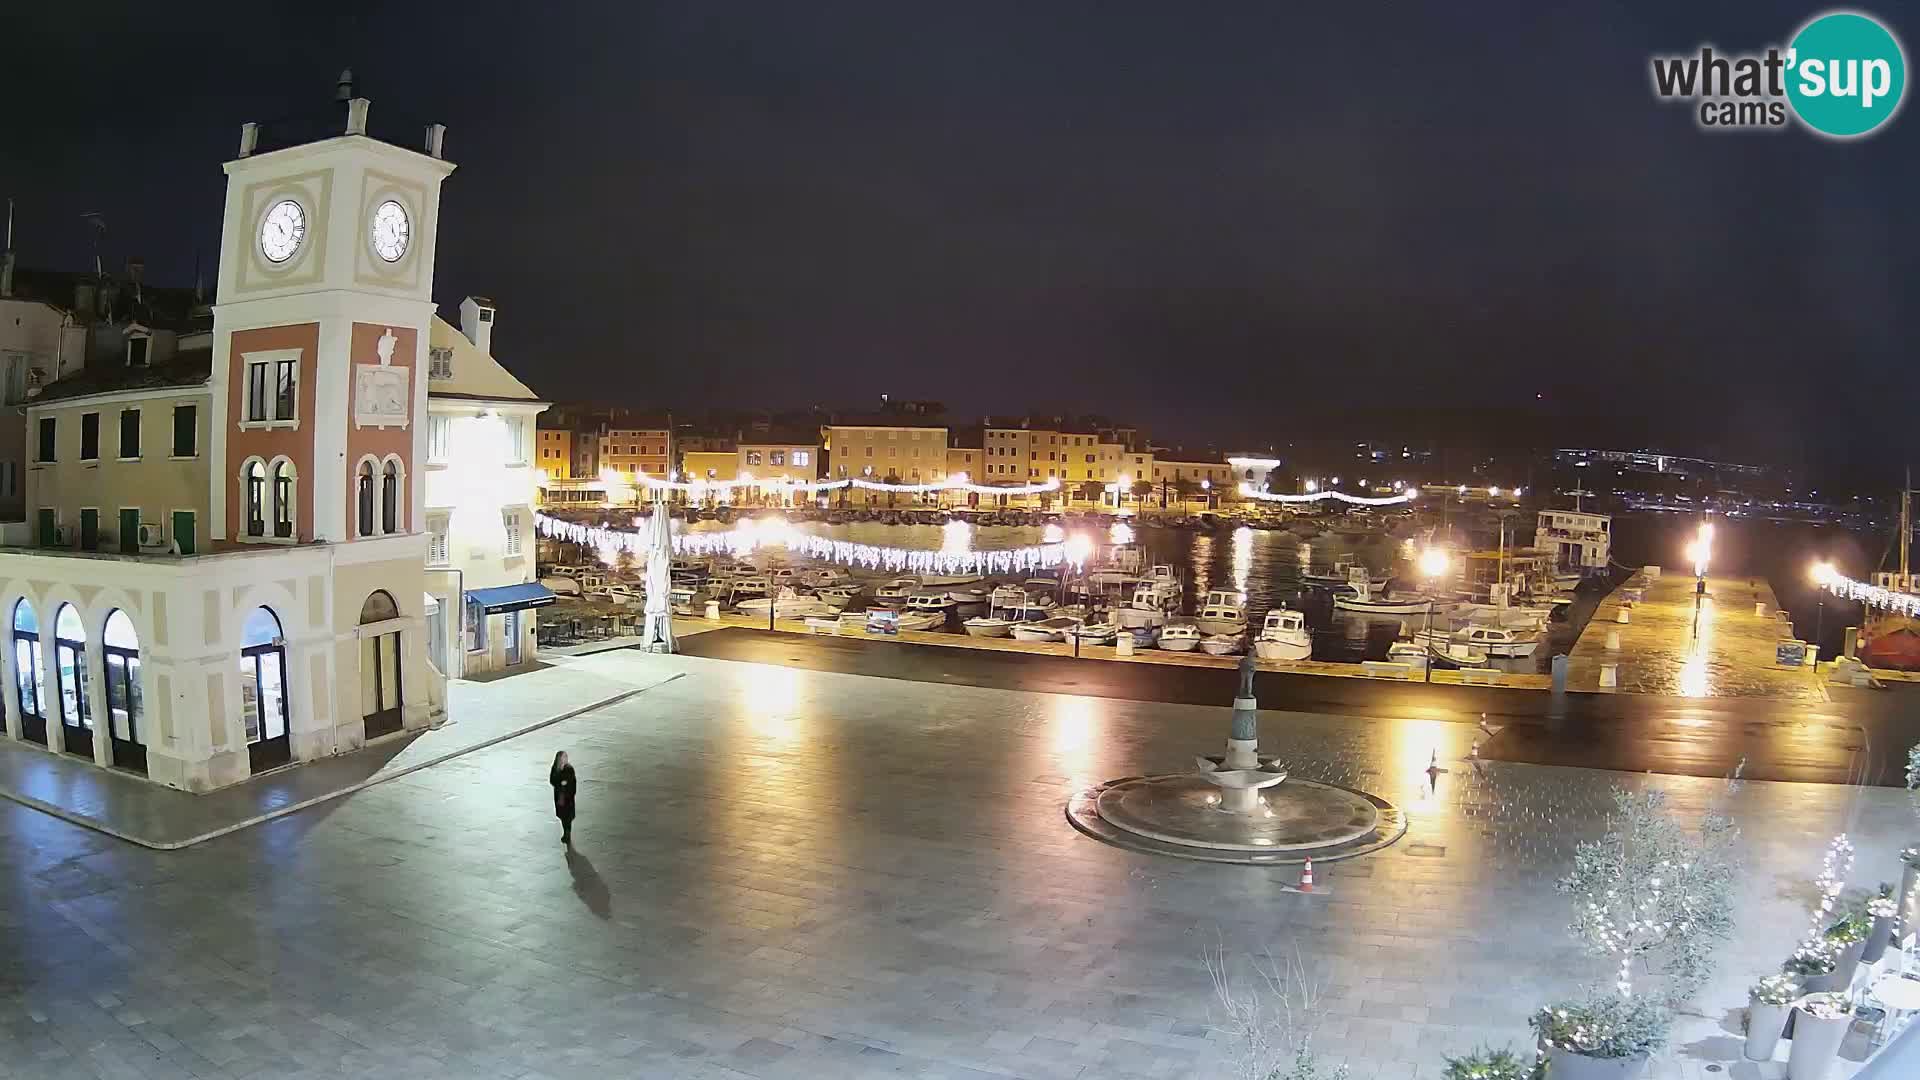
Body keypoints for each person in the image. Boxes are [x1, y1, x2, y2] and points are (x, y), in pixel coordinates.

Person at [549, 750, 577, 845]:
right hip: (559, 796)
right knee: (562, 815)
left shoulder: (569, 769)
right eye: (562, 758)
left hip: (567, 797)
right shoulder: (555, 768)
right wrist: (560, 783)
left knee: (567, 816)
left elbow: (573, 783)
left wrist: (568, 788)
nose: (564, 759)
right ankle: (566, 831)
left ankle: (567, 833)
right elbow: (552, 780)